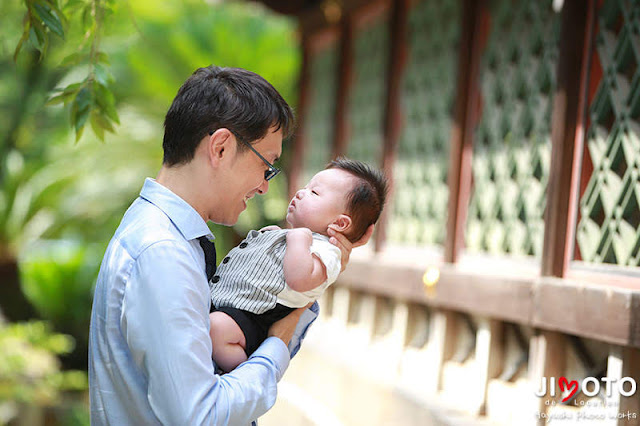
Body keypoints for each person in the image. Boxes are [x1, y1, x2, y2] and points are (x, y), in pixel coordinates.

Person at [88, 65, 373, 426]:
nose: (265, 186)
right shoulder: (162, 253)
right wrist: (278, 343)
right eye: (266, 165)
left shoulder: (166, 237)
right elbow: (201, 416)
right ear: (221, 148)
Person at [209, 157, 388, 372]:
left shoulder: (327, 252)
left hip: (254, 316)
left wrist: (297, 240)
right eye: (305, 187)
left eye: (314, 193)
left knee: (216, 329)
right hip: (230, 303)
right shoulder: (293, 237)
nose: (301, 193)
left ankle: (241, 372)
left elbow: (299, 279)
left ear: (339, 223)